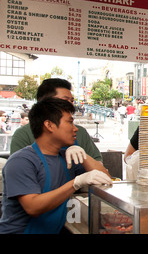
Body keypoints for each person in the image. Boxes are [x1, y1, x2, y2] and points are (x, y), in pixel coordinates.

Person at [0, 98, 112, 234]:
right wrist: (75, 183)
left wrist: (84, 156)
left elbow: (105, 178)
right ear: (49, 125)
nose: (75, 128)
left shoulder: (67, 157)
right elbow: (33, 207)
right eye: (70, 122)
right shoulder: (21, 161)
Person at [10, 78, 103, 162]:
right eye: (65, 100)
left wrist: (85, 161)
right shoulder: (23, 135)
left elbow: (97, 163)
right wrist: (76, 181)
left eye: (71, 101)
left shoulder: (80, 133)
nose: (70, 104)